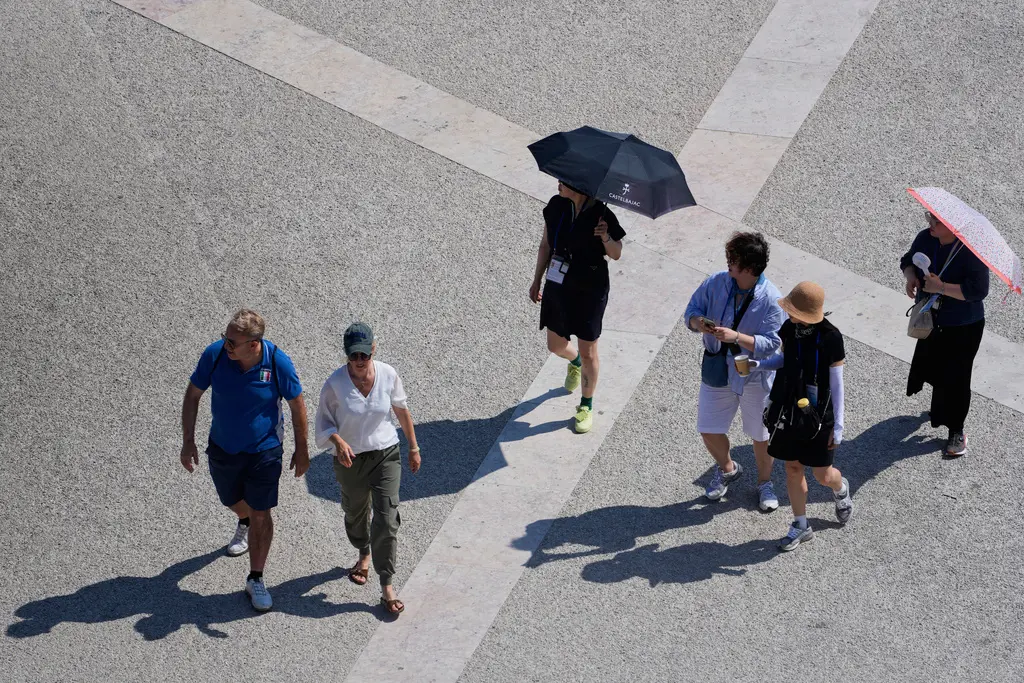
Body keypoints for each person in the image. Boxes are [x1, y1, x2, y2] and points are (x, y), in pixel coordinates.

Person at [180, 309, 309, 612]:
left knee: (262, 512)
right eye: (226, 338)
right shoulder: (214, 355)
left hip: (265, 451)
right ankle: (244, 519)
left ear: (253, 344)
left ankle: (256, 578)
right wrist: (188, 441)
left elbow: (297, 404)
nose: (226, 345)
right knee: (231, 499)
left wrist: (301, 449)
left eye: (232, 342)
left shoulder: (277, 362)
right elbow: (193, 395)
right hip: (223, 448)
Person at [315, 323, 420, 617]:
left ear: (374, 348)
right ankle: (363, 551)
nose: (359, 361)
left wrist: (413, 447)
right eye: (353, 356)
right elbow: (323, 425)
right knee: (355, 511)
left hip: (386, 454)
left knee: (387, 518)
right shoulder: (334, 384)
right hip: (350, 460)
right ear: (346, 355)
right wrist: (337, 440)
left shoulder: (388, 374)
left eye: (364, 354)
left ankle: (387, 584)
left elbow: (401, 410)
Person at [684, 232, 785, 511]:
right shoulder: (717, 282)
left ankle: (765, 483)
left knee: (761, 436)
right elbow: (691, 311)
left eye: (734, 260)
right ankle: (728, 469)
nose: (728, 263)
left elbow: (773, 343)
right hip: (717, 367)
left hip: (753, 374)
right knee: (707, 428)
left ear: (750, 269)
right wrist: (698, 322)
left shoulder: (771, 299)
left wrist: (737, 337)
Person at [750, 282, 852, 551]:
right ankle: (800, 525)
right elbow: (785, 361)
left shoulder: (831, 337)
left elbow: (837, 384)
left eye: (793, 310)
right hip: (789, 408)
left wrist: (838, 427)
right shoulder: (789, 329)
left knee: (823, 475)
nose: (789, 314)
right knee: (792, 468)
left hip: (819, 415)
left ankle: (840, 490)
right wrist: (759, 364)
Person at [529, 180, 626, 434]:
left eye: (564, 181)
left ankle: (586, 405)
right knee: (555, 345)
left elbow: (616, 253)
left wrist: (605, 236)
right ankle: (575, 362)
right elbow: (546, 245)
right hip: (558, 283)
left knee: (589, 350)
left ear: (580, 187)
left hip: (590, 288)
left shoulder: (602, 215)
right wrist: (536, 279)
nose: (558, 183)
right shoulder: (555, 206)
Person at [901, 211, 990, 457]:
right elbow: (907, 260)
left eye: (936, 222)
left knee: (958, 378)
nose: (929, 224)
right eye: (930, 219)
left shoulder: (971, 253)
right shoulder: (926, 238)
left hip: (963, 325)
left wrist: (941, 287)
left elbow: (978, 291)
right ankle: (940, 410)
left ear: (952, 227)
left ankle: (957, 430)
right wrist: (911, 278)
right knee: (934, 367)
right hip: (932, 319)